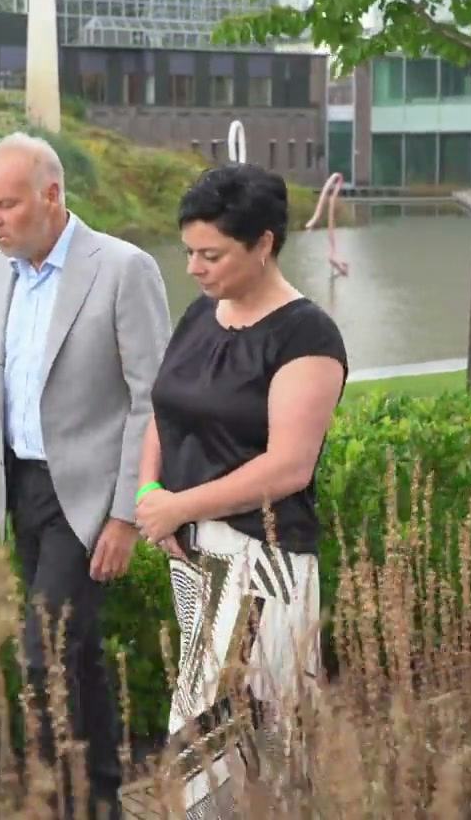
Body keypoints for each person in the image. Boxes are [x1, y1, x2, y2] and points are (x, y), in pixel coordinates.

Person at [0, 131, 171, 819]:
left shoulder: (123, 269)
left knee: (44, 652)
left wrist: (125, 514)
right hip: (21, 490)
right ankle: (100, 800)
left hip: (87, 499)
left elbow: (152, 400)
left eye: (7, 204)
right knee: (76, 654)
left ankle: (62, 802)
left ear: (51, 196)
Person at [131, 162, 348, 816]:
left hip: (262, 561)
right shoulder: (201, 314)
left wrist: (179, 505)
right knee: (233, 737)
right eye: (189, 252)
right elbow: (164, 409)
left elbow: (288, 468)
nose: (194, 268)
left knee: (224, 732)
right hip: (193, 557)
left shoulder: (307, 336)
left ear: (263, 244)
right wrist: (149, 493)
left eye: (212, 254)